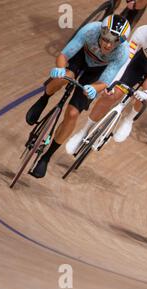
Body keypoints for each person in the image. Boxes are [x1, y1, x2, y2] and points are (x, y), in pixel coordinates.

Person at [25, 14, 131, 178]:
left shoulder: (122, 53)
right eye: (105, 39)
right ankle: (43, 99)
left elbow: (105, 81)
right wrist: (60, 68)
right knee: (64, 76)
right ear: (101, 32)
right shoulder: (90, 31)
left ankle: (46, 157)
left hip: (96, 73)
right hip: (80, 57)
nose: (108, 45)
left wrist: (94, 89)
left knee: (73, 113)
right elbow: (63, 55)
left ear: (120, 42)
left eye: (113, 42)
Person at [66, 11, 147, 150]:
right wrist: (113, 82)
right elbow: (125, 60)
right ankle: (83, 131)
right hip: (139, 63)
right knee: (112, 94)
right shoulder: (142, 32)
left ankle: (129, 120)